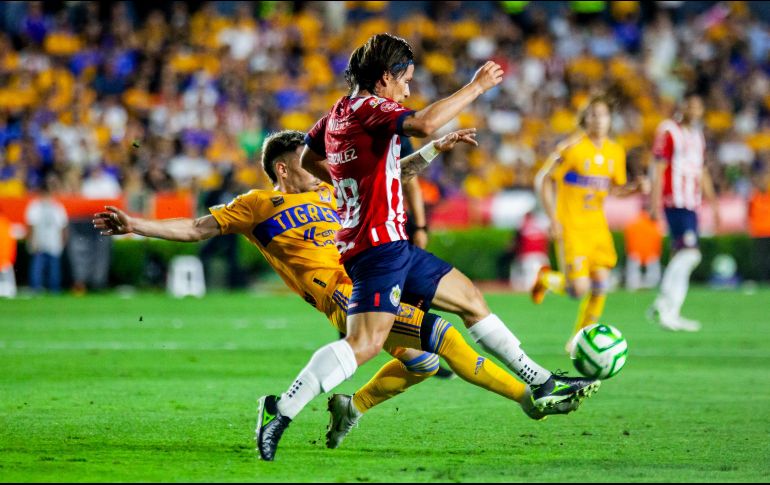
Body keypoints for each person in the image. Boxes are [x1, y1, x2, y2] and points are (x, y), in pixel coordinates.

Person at [93, 131, 588, 456]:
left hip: (380, 271)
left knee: (423, 363)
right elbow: (196, 228)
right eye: (307, 164)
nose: (319, 168)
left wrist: (434, 148)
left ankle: (352, 406)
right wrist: (134, 223)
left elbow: (390, 177)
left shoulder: (332, 192)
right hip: (345, 294)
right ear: (283, 168)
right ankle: (531, 394)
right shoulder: (258, 204)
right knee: (444, 336)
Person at [267, 33, 598, 461]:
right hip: (376, 250)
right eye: (405, 80)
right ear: (385, 77)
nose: (407, 90)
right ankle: (283, 409)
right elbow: (422, 121)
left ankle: (540, 380)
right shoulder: (371, 107)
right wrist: (476, 86)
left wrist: (356, 180)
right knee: (363, 345)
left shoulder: (336, 113)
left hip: (392, 246)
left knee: (471, 300)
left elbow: (311, 159)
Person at [533, 95, 646, 352]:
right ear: (585, 119)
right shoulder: (571, 148)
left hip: (597, 227)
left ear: (610, 119)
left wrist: (635, 188)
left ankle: (577, 340)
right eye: (593, 114)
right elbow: (542, 180)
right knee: (577, 290)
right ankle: (547, 279)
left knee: (601, 285)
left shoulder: (615, 151)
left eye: (603, 114)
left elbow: (615, 190)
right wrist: (552, 218)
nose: (598, 120)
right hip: (572, 225)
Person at [647, 92, 720, 331]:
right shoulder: (669, 131)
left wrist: (714, 203)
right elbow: (658, 168)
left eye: (698, 106)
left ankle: (671, 311)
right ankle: (663, 304)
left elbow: (701, 171)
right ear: (683, 107)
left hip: (691, 202)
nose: (694, 110)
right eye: (690, 105)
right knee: (690, 254)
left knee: (683, 256)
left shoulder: (698, 136)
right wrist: (654, 203)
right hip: (674, 200)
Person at [24, 177, 68, 293]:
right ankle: (36, 288)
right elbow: (31, 225)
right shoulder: (35, 206)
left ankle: (54, 289)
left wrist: (62, 242)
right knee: (38, 267)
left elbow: (63, 226)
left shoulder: (57, 207)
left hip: (53, 241)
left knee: (53, 268)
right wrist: (31, 241)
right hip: (39, 242)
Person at [624, 208, 663, 291]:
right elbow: (658, 240)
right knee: (653, 273)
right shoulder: (653, 225)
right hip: (650, 252)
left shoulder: (633, 223)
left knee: (633, 271)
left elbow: (628, 239)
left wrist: (630, 251)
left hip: (635, 252)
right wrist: (657, 253)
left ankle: (633, 285)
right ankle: (650, 285)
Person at [747, 171, 770, 282]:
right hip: (759, 232)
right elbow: (750, 214)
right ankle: (763, 279)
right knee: (760, 259)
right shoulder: (754, 197)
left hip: (768, 231)